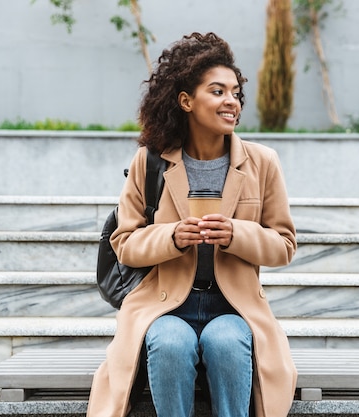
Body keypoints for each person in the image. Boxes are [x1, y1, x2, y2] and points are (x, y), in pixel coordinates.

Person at [87, 32, 298, 417]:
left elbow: (283, 243)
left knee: (227, 342)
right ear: (186, 100)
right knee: (168, 343)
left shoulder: (263, 162)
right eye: (217, 91)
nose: (231, 101)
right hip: (163, 306)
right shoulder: (149, 162)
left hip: (234, 306)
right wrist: (171, 237)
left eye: (235, 92)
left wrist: (237, 234)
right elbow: (124, 242)